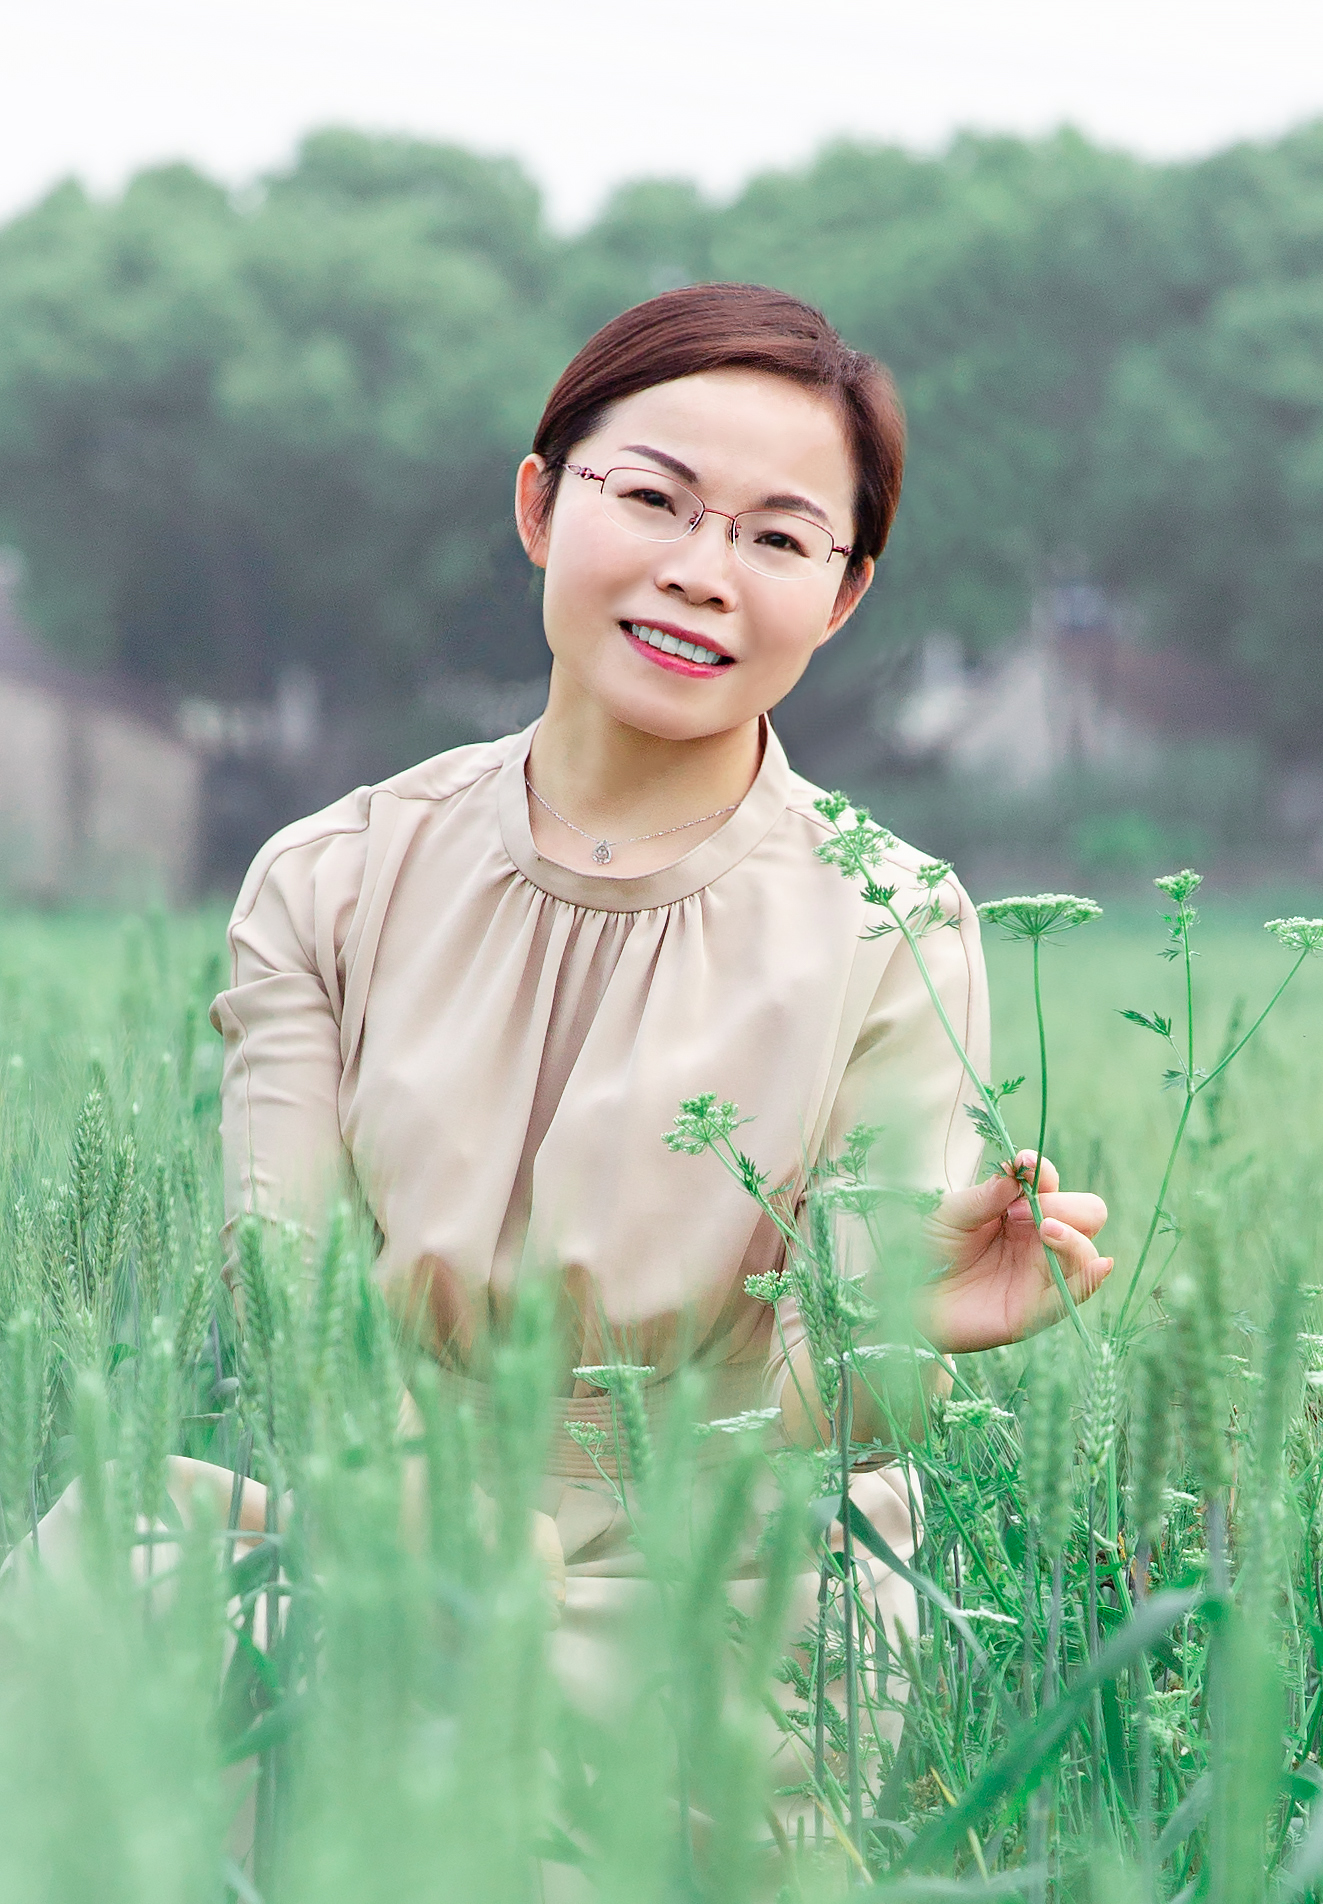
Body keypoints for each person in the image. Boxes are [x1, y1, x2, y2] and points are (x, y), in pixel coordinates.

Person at [207, 283, 1110, 1750]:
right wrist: (440, 1548)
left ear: (843, 595)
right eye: (654, 500)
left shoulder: (889, 918)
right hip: (377, 1528)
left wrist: (897, 1334)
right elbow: (289, 1295)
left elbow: (823, 1404)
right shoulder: (332, 876)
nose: (702, 573)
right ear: (541, 505)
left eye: (777, 539)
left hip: (719, 1590)